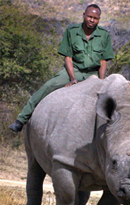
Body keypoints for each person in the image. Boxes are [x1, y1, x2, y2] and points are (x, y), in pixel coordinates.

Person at [9, 4, 114, 132]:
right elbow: (68, 57)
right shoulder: (72, 31)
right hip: (74, 70)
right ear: (84, 15)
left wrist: (101, 82)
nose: (92, 20)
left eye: (95, 18)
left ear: (99, 19)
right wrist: (72, 78)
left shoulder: (104, 35)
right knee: (48, 86)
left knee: (114, 93)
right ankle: (21, 120)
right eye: (90, 16)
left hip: (94, 73)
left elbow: (103, 62)